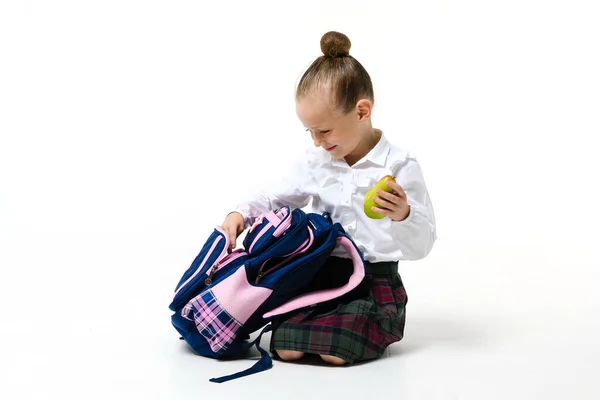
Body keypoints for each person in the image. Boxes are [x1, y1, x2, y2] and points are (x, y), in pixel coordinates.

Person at [220, 31, 436, 366]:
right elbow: (276, 196)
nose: (318, 142)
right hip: (322, 275)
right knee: (286, 346)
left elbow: (421, 246)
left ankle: (360, 328)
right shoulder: (316, 162)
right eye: (311, 131)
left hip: (372, 281)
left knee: (335, 350)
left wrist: (404, 214)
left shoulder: (398, 165)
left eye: (325, 130)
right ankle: (318, 324)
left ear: (362, 112)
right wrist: (241, 213)